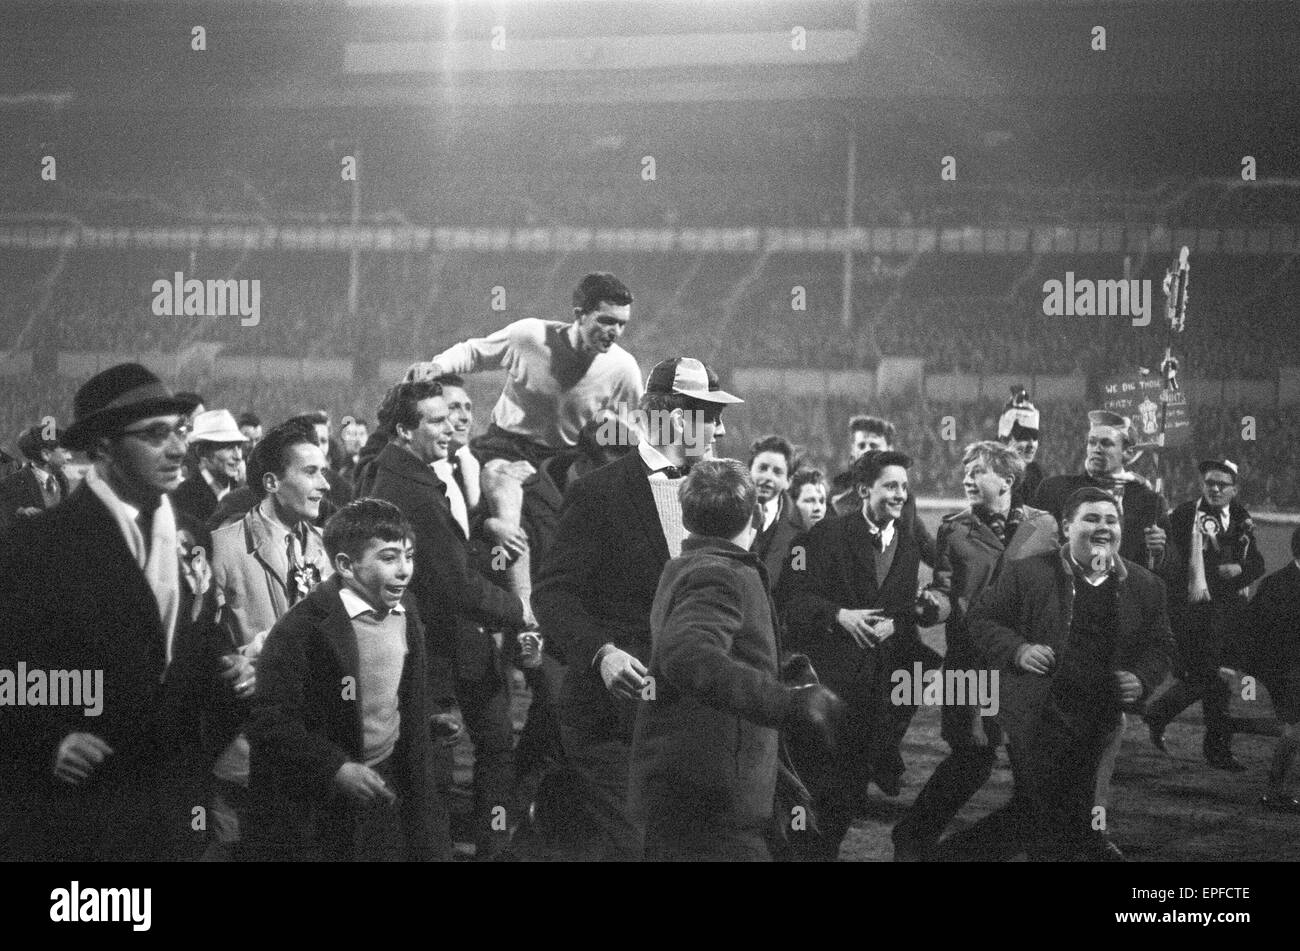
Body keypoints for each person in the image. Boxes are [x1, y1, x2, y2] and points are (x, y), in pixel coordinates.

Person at [0, 363, 230, 861]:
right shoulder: (43, 543)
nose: (176, 449)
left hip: (174, 804)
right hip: (84, 813)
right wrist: (51, 740)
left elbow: (196, 657)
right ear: (103, 447)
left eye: (179, 431)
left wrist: (235, 673)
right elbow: (10, 673)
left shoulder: (193, 536)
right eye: (154, 435)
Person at [533, 356, 741, 860]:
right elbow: (553, 595)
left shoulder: (717, 493)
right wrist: (602, 653)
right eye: (710, 414)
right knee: (636, 844)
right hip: (611, 720)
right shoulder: (599, 493)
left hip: (688, 719)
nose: (720, 427)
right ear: (672, 419)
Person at [629, 459, 841, 861]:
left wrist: (782, 665)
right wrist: (784, 701)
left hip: (693, 787)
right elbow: (688, 653)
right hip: (713, 799)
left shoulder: (690, 564)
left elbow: (716, 647)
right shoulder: (721, 573)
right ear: (755, 515)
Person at [406, 273, 644, 620]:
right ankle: (523, 611)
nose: (614, 332)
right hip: (505, 443)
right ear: (579, 314)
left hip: (562, 457)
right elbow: (475, 352)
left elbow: (635, 425)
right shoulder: (529, 336)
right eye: (606, 321)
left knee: (572, 530)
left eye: (622, 324)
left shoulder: (623, 369)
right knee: (504, 496)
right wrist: (438, 366)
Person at [968, 487, 1173, 860]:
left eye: (1111, 520)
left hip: (1099, 718)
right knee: (1046, 814)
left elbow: (1162, 646)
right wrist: (1019, 650)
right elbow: (981, 619)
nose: (1103, 527)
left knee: (1047, 815)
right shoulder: (1028, 573)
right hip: (1036, 712)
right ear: (1066, 527)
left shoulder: (1146, 586)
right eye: (1091, 518)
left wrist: (1142, 677)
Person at [368, 379, 527, 858]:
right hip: (432, 638)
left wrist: (488, 527)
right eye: (436, 419)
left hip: (457, 632)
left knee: (492, 744)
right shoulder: (408, 487)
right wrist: (519, 610)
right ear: (402, 429)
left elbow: (455, 545)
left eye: (457, 413)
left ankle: (484, 844)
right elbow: (451, 579)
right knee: (434, 758)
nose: (452, 424)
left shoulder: (427, 470)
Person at [892, 441, 1058, 860]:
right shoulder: (954, 527)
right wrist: (931, 606)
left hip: (1026, 669)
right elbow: (946, 589)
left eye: (977, 470)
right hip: (970, 662)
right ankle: (911, 839)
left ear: (1006, 479)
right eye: (965, 470)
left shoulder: (1046, 528)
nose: (966, 478)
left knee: (1034, 779)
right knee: (971, 759)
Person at [246, 499, 438, 861]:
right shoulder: (303, 628)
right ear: (346, 565)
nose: (404, 571)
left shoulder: (405, 609)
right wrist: (335, 767)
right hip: (324, 798)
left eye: (408, 556)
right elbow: (269, 721)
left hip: (385, 780)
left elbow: (401, 690)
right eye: (388, 558)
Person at [779, 449, 938, 859]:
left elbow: (901, 610)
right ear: (865, 489)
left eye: (904, 486)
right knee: (810, 794)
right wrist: (838, 615)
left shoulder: (907, 546)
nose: (900, 494)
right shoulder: (823, 536)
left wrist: (897, 623)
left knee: (846, 800)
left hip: (874, 699)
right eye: (891, 486)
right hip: (823, 695)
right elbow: (791, 601)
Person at [204, 422, 334, 859]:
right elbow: (193, 643)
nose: (324, 484)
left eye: (324, 471)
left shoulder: (325, 550)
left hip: (310, 748)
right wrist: (235, 663)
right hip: (245, 750)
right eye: (312, 472)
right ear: (272, 483)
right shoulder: (222, 548)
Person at [1146, 459, 1264, 770]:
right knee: (1210, 678)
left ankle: (1172, 721)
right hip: (1191, 613)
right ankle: (1212, 746)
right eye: (1209, 483)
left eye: (1221, 485)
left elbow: (1257, 564)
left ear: (1234, 489)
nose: (1214, 488)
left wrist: (1241, 569)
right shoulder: (1183, 515)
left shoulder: (1242, 518)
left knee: (1218, 678)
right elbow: (1169, 565)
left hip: (1227, 616)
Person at [1032, 409, 1172, 569]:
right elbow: (1033, 548)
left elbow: (1172, 566)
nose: (1096, 449)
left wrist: (1159, 552)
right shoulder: (1054, 490)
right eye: (1092, 442)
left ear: (1127, 452)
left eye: (1106, 443)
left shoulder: (1149, 502)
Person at [1242, 527, 1300, 813]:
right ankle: (1274, 792)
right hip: (1288, 670)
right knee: (1295, 729)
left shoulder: (1276, 583)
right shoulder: (1278, 585)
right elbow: (1254, 631)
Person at [172, 409, 247, 526]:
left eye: (239, 446)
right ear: (202, 452)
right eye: (228, 447)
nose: (238, 456)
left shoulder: (243, 494)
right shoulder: (182, 497)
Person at [748, 435, 803, 592]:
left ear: (788, 481)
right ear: (749, 470)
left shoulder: (801, 530)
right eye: (762, 468)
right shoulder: (729, 513)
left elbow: (799, 582)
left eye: (777, 472)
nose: (767, 477)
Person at [0, 423, 71, 534]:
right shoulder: (9, 485)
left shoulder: (63, 481)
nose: (69, 457)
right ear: (46, 455)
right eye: (65, 452)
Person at [997, 386, 1044, 504]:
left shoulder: (1035, 473)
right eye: (1023, 438)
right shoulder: (994, 473)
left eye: (1035, 438)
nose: (1031, 444)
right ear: (1006, 441)